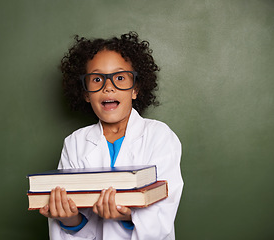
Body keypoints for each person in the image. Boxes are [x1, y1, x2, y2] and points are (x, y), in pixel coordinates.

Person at [39, 32, 183, 240]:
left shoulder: (160, 137)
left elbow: (162, 219)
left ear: (135, 89)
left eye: (120, 78)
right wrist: (69, 220)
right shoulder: (75, 143)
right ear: (86, 93)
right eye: (97, 79)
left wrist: (126, 217)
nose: (108, 87)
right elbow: (83, 228)